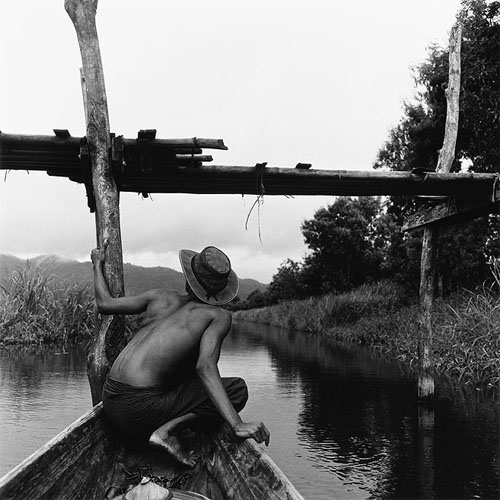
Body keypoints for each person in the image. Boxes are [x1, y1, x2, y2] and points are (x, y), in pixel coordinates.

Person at [92, 242, 270, 467]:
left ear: (189, 278)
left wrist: (97, 264)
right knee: (236, 390)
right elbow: (205, 366)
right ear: (218, 292)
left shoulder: (159, 297)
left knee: (188, 375)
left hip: (110, 399)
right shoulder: (217, 316)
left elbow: (105, 303)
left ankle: (162, 429)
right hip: (139, 411)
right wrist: (237, 424)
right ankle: (167, 431)